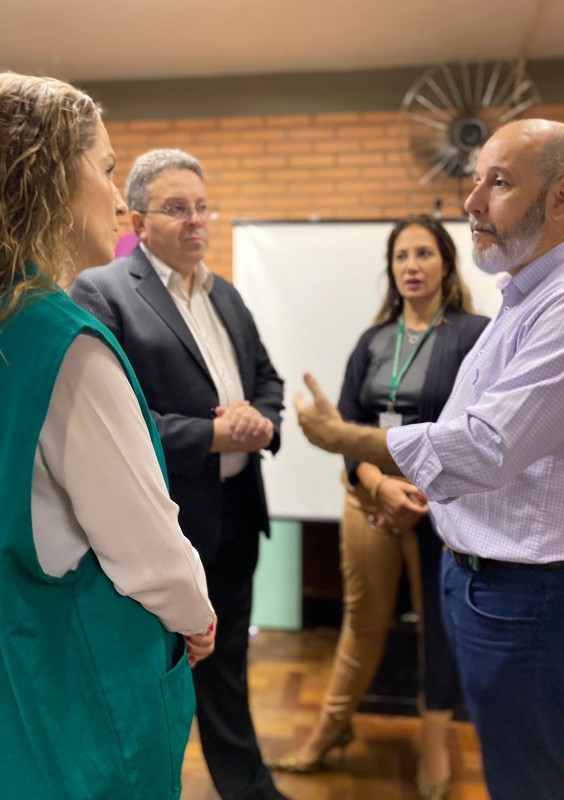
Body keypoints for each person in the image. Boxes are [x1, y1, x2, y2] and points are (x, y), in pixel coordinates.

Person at [294, 118, 564, 800]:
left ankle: (437, 756)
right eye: (474, 181)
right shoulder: (520, 296)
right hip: (473, 566)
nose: (471, 202)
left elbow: (485, 445)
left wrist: (347, 440)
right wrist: (371, 476)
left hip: (529, 592)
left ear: (561, 195)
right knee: (514, 759)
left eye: (498, 182)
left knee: (529, 775)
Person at [0, 73, 216, 800]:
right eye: (106, 168)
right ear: (50, 172)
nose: (119, 199)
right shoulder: (66, 343)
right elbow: (146, 545)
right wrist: (197, 614)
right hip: (79, 677)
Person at [70, 149, 288, 800]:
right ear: (137, 218)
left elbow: (268, 383)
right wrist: (217, 434)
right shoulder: (103, 291)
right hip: (163, 529)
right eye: (177, 208)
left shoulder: (226, 294)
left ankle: (247, 790)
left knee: (230, 669)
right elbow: (117, 426)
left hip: (239, 515)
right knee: (157, 676)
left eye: (202, 206)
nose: (197, 221)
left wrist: (263, 421)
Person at [272, 216, 488, 798]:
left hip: (440, 509)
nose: (411, 265)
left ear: (446, 262)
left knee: (438, 629)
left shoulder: (474, 334)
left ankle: (436, 742)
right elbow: (346, 426)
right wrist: (376, 485)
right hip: (369, 499)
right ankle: (331, 727)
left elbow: (476, 431)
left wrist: (412, 490)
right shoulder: (372, 341)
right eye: (400, 256)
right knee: (359, 624)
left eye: (423, 253)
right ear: (391, 270)